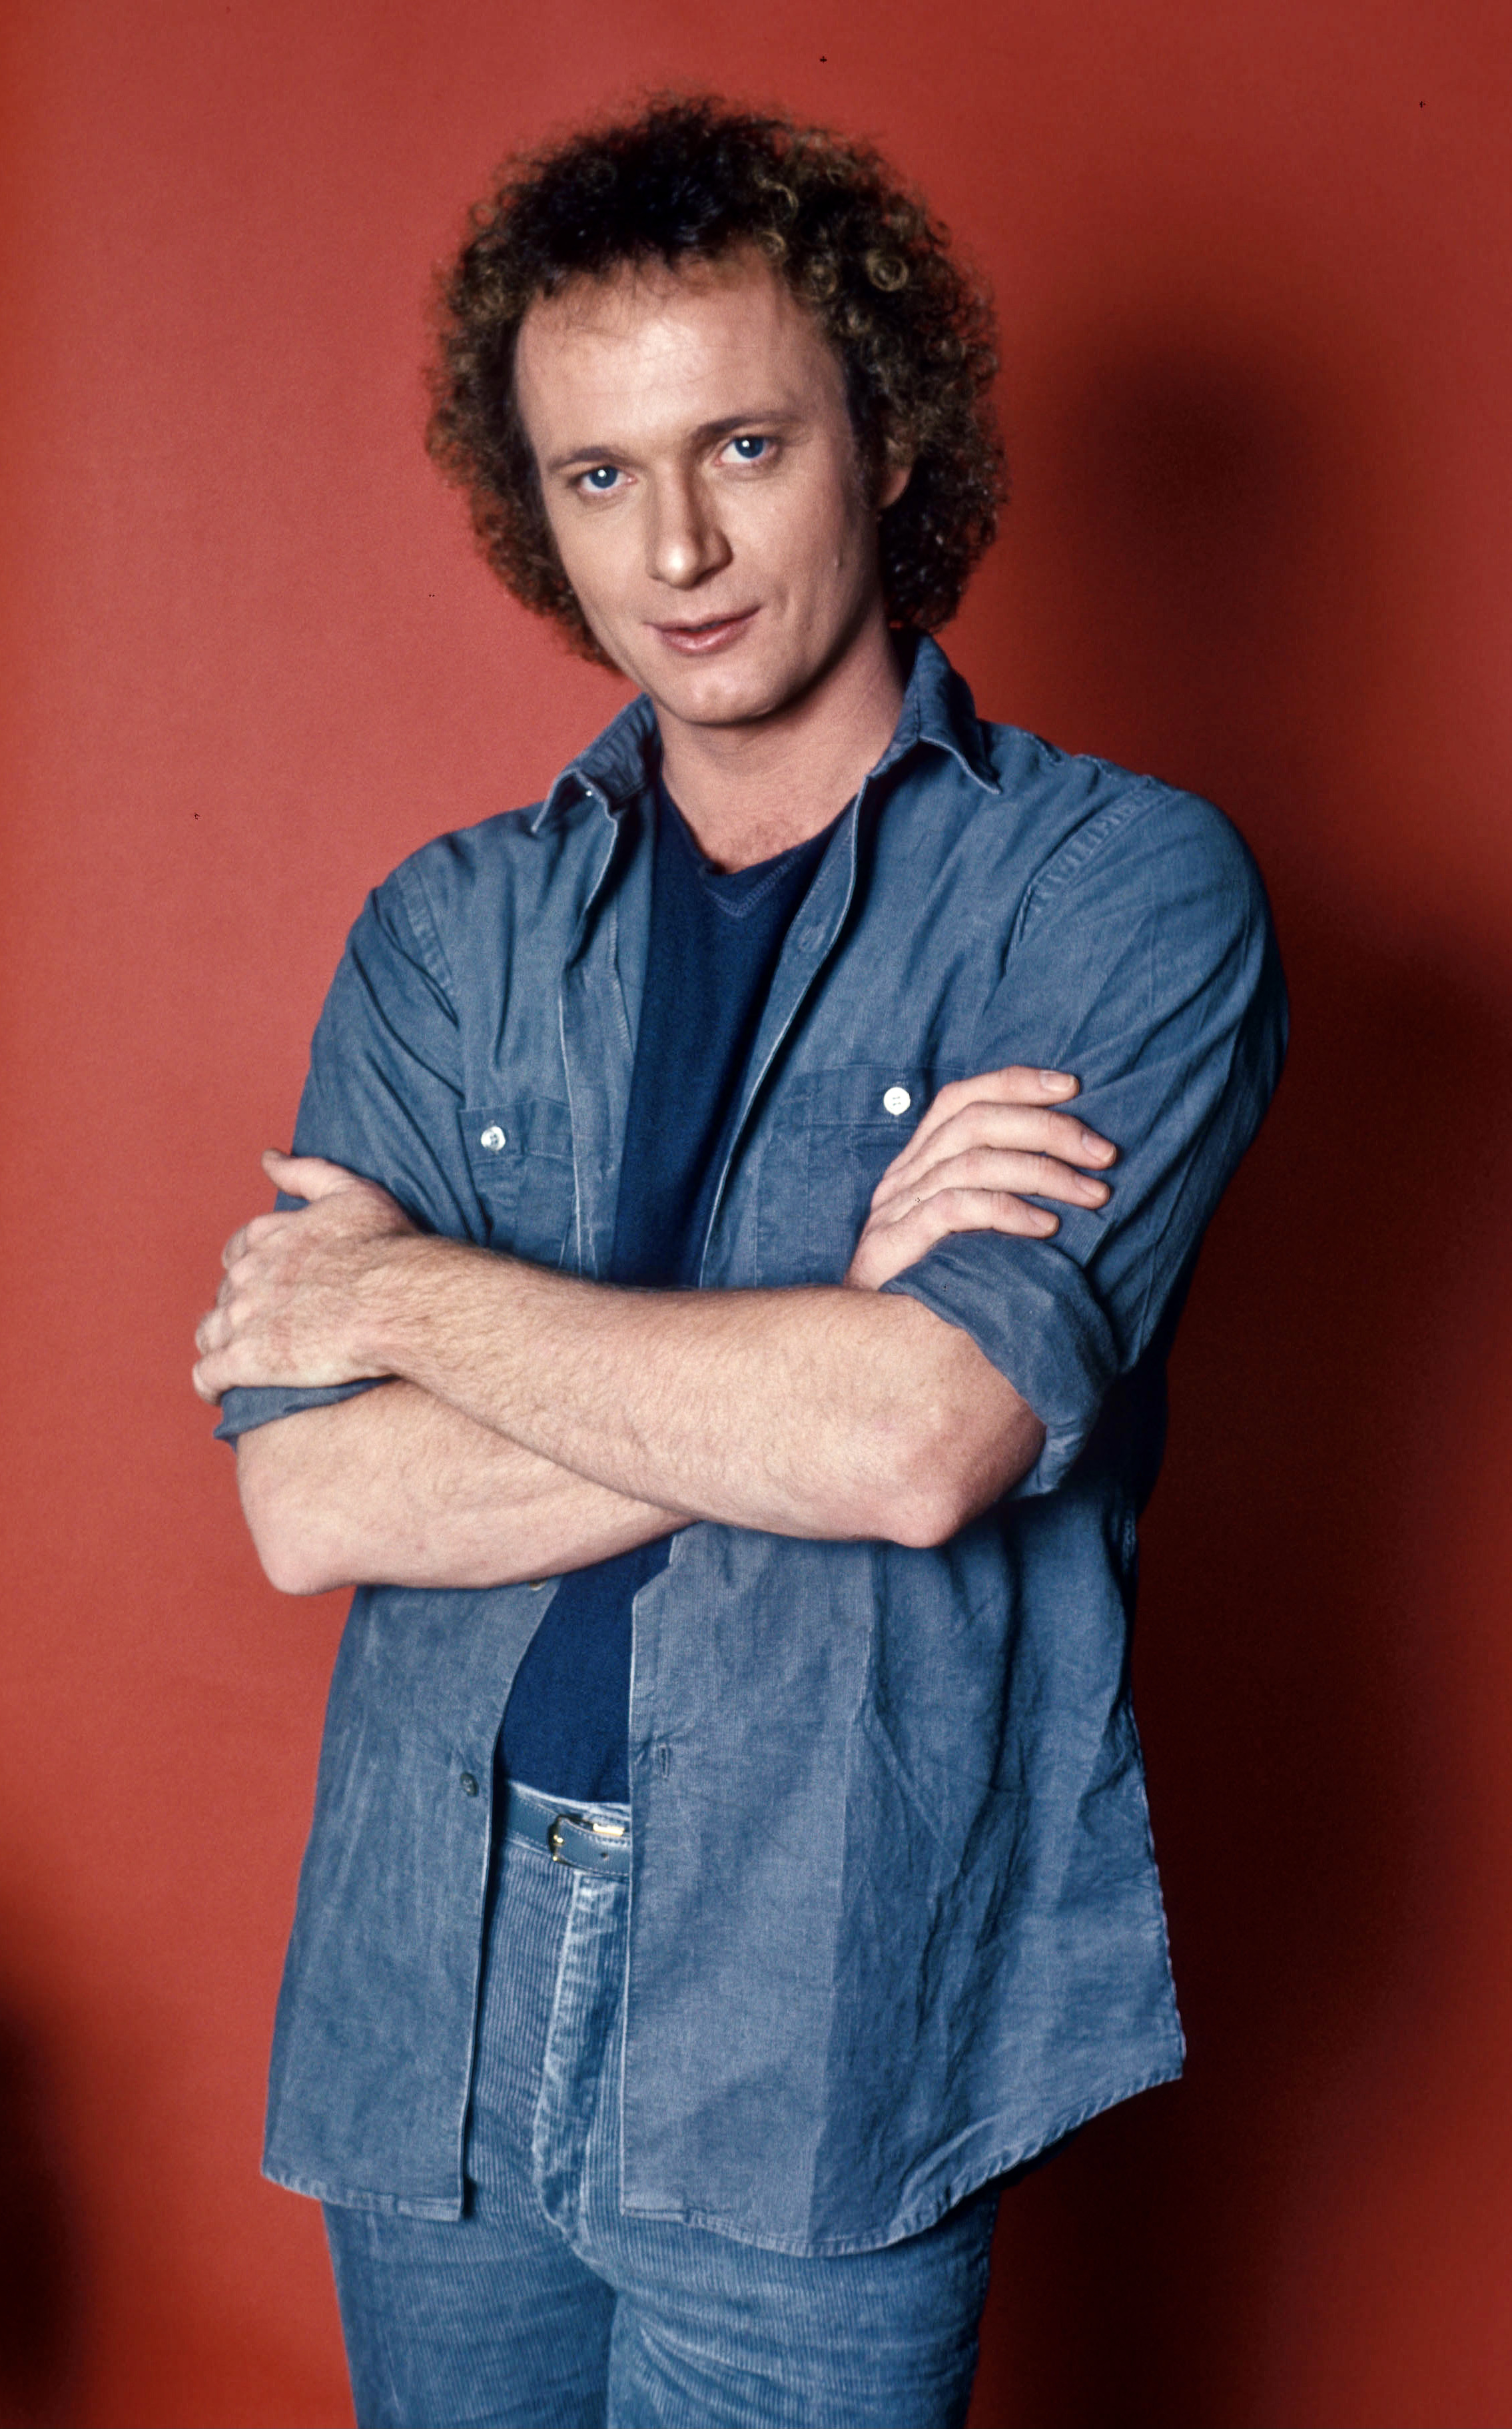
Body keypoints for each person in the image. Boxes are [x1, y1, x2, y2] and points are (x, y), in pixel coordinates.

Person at [193, 95, 1286, 2429]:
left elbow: (919, 1444)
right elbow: (312, 1501)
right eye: (598, 476)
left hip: (826, 1999)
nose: (675, 547)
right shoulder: (448, 931)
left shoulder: (1116, 893)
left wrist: (400, 1302)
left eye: (745, 448)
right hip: (433, 1980)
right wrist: (816, 1341)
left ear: (885, 438)